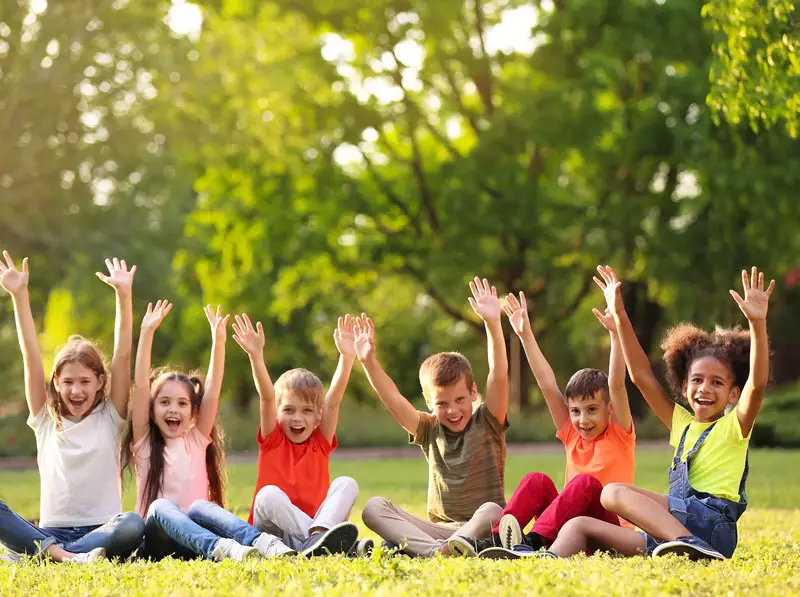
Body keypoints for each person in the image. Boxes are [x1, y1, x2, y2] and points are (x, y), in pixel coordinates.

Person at [541, 265, 773, 561]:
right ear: (684, 384)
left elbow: (757, 384)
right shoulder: (683, 424)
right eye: (697, 380)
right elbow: (641, 377)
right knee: (582, 522)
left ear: (733, 394)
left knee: (614, 492)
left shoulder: (735, 425)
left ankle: (689, 544)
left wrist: (757, 323)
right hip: (672, 530)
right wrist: (620, 314)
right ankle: (542, 558)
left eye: (717, 383)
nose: (704, 389)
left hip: (712, 528)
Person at [457, 282, 635, 559]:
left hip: (608, 531)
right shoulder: (573, 434)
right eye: (575, 411)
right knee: (536, 480)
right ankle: (495, 540)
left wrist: (615, 335)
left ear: (609, 409)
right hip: (566, 526)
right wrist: (525, 333)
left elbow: (618, 384)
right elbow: (548, 385)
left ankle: (533, 541)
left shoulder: (620, 433)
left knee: (585, 484)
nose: (582, 419)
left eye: (591, 410)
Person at [0, 253, 144, 563]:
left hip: (102, 529)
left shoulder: (110, 415)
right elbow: (31, 356)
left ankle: (47, 556)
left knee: (133, 524)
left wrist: (124, 295)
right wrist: (20, 296)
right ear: (55, 383)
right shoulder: (44, 419)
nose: (76, 390)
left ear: (99, 382)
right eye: (67, 382)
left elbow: (121, 356)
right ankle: (62, 554)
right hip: (52, 529)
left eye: (84, 381)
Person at [358, 277, 509, 557]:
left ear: (474, 392)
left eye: (460, 400)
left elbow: (498, 374)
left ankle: (440, 548)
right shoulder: (429, 429)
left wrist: (492, 324)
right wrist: (368, 361)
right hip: (438, 531)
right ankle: (436, 552)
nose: (453, 410)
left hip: (483, 529)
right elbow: (394, 401)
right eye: (442, 403)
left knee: (493, 510)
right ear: (429, 402)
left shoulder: (487, 421)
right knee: (373, 508)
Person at [125, 302, 279, 561]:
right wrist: (146, 333)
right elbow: (141, 386)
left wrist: (218, 341)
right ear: (151, 411)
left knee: (202, 507)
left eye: (182, 403)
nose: (173, 409)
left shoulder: (195, 441)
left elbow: (214, 389)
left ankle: (262, 542)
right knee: (160, 507)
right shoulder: (144, 444)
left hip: (194, 543)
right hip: (157, 544)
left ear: (193, 412)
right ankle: (222, 548)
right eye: (164, 402)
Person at [240, 313, 360, 557]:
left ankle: (319, 539)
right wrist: (256, 356)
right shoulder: (273, 438)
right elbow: (266, 395)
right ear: (276, 412)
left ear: (318, 416)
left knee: (347, 483)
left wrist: (347, 358)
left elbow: (334, 402)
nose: (297, 418)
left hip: (315, 526)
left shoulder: (320, 442)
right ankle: (329, 543)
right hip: (273, 535)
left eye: (307, 411)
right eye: (289, 410)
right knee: (267, 495)